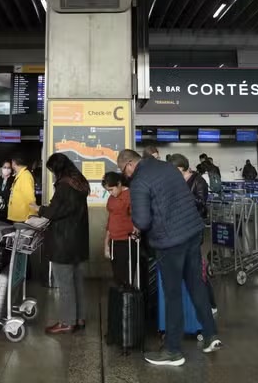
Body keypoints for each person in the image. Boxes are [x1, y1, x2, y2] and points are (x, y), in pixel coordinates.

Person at [119, 149, 222, 366]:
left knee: (172, 294)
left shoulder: (139, 181)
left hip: (170, 242)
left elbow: (142, 221)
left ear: (129, 165)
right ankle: (211, 335)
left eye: (123, 171)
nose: (125, 175)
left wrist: (136, 220)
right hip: (192, 233)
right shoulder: (168, 168)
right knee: (196, 285)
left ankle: (173, 350)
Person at [33, 153, 90, 335]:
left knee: (65, 284)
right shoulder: (80, 183)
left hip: (63, 242)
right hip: (79, 241)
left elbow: (54, 212)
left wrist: (38, 209)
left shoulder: (64, 186)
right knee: (77, 281)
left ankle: (67, 322)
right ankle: (79, 318)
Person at [168, 153, 218, 314]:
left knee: (196, 269)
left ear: (181, 168)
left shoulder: (198, 181)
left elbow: (202, 205)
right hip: (179, 229)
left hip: (193, 229)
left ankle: (211, 304)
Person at [102, 172, 135, 286]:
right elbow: (110, 220)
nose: (111, 193)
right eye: (108, 191)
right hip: (113, 240)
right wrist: (106, 243)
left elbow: (137, 218)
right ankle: (120, 294)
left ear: (119, 184)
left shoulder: (130, 195)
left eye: (112, 189)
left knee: (125, 275)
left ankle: (126, 294)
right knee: (116, 274)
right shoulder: (111, 198)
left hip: (126, 241)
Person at [7, 156, 36, 223]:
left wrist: (32, 216)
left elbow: (30, 198)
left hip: (24, 218)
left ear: (13, 162)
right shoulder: (20, 175)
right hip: (19, 217)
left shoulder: (25, 176)